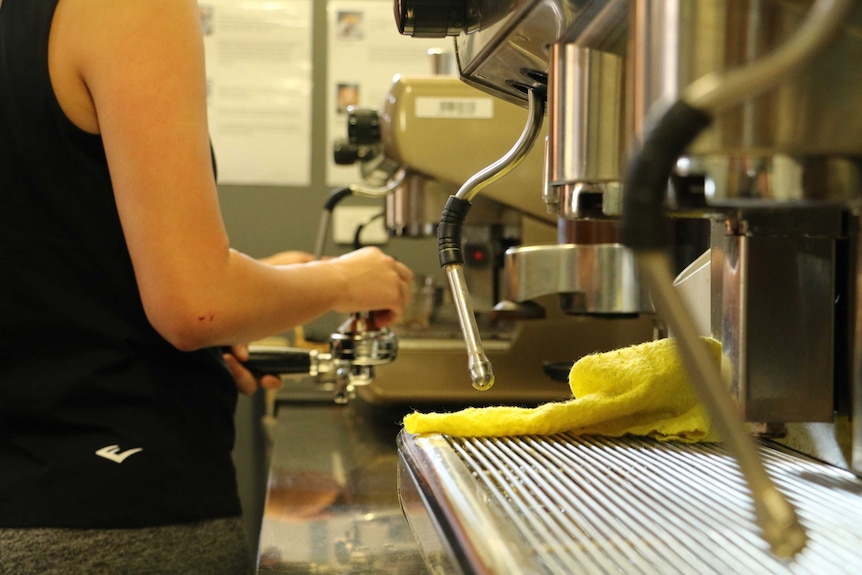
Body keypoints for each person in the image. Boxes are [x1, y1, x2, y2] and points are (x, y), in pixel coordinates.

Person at [0, 0, 414, 573]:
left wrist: (267, 285)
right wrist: (345, 278)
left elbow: (48, 264)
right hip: (107, 517)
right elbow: (197, 307)